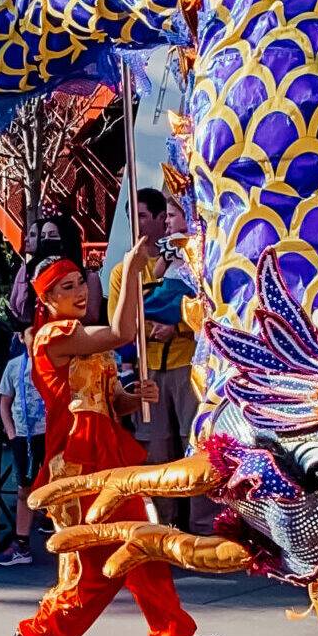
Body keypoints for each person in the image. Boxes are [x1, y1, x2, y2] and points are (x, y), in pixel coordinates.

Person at [8, 244, 222, 636]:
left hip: (106, 452)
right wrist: (130, 269)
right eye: (65, 288)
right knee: (100, 561)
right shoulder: (54, 336)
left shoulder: (85, 338)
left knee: (145, 541)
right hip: (78, 462)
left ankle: (173, 633)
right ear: (45, 300)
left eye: (79, 284)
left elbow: (108, 402)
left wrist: (133, 399)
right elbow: (125, 333)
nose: (79, 293)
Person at [105, 188, 198, 465]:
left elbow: (208, 309)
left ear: (161, 219)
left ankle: (199, 511)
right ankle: (162, 510)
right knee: (156, 452)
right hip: (149, 370)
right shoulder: (123, 271)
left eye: (142, 215)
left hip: (187, 366)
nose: (137, 222)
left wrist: (178, 328)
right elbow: (119, 326)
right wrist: (153, 329)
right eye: (131, 216)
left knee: (194, 443)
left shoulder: (191, 260)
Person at [0, 332, 47, 566]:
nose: (37, 338)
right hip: (23, 435)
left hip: (48, 432)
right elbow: (5, 401)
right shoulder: (14, 365)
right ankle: (22, 544)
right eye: (31, 334)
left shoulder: (54, 362)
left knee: (56, 484)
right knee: (24, 487)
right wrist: (10, 431)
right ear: (20, 337)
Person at [9, 215, 104, 330]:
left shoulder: (89, 277)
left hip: (75, 339)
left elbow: (91, 316)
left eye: (53, 235)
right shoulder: (29, 271)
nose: (47, 240)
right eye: (43, 236)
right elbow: (16, 307)